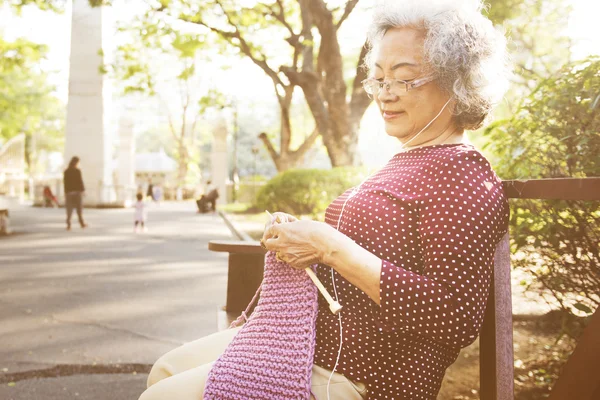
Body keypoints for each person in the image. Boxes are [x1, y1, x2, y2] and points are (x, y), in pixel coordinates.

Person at [139, 1, 510, 399]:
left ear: (459, 83)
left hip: (362, 373)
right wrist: (303, 237)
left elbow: (454, 317)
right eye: (379, 79)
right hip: (308, 341)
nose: (385, 94)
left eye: (404, 79)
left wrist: (331, 248)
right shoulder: (405, 160)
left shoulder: (463, 175)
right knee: (165, 371)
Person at [63, 156, 87, 230]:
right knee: (79, 208)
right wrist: (83, 190)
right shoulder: (77, 171)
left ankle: (69, 223)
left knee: (69, 209)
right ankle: (81, 222)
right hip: (77, 192)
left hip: (69, 193)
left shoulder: (66, 171)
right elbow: (80, 182)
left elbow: (65, 183)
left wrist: (66, 192)